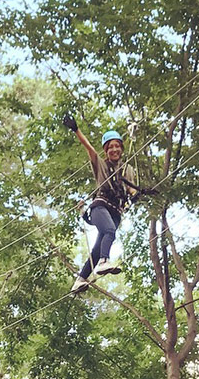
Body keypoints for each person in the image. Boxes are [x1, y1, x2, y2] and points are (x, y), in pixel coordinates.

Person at [62, 115, 144, 293]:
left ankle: (80, 279)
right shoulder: (101, 165)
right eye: (110, 147)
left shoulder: (128, 169)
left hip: (116, 212)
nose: (114, 149)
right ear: (106, 150)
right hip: (100, 206)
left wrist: (135, 195)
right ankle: (104, 262)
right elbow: (90, 150)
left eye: (117, 146)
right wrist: (76, 130)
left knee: (98, 248)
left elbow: (130, 188)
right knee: (109, 232)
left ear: (121, 148)